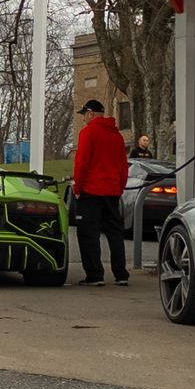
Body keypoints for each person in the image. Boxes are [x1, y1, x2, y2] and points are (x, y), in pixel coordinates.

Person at [71, 99, 130, 285]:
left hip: (91, 191)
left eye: (84, 115)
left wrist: (77, 188)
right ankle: (121, 274)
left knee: (89, 234)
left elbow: (82, 163)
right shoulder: (117, 136)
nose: (83, 119)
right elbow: (123, 165)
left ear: (90, 113)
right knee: (115, 233)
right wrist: (120, 187)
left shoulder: (88, 133)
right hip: (112, 191)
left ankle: (95, 274)